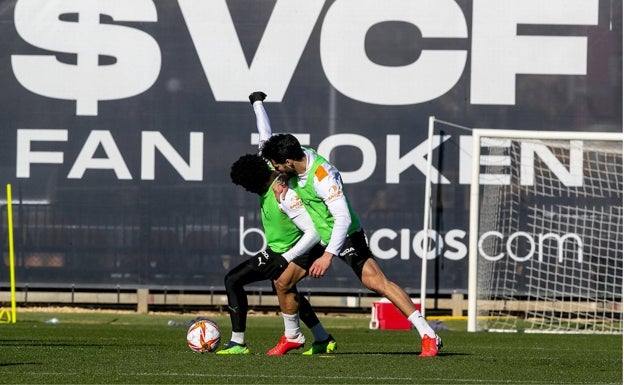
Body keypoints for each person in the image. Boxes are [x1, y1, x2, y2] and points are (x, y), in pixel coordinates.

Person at [257, 94, 443, 357]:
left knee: (376, 282)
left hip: (344, 236)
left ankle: (429, 334)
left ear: (288, 162)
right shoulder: (294, 159)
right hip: (318, 234)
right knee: (283, 282)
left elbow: (342, 218)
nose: (274, 171)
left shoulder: (323, 177)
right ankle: (293, 336)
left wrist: (328, 255)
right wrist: (257, 104)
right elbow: (266, 136)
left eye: (277, 167)